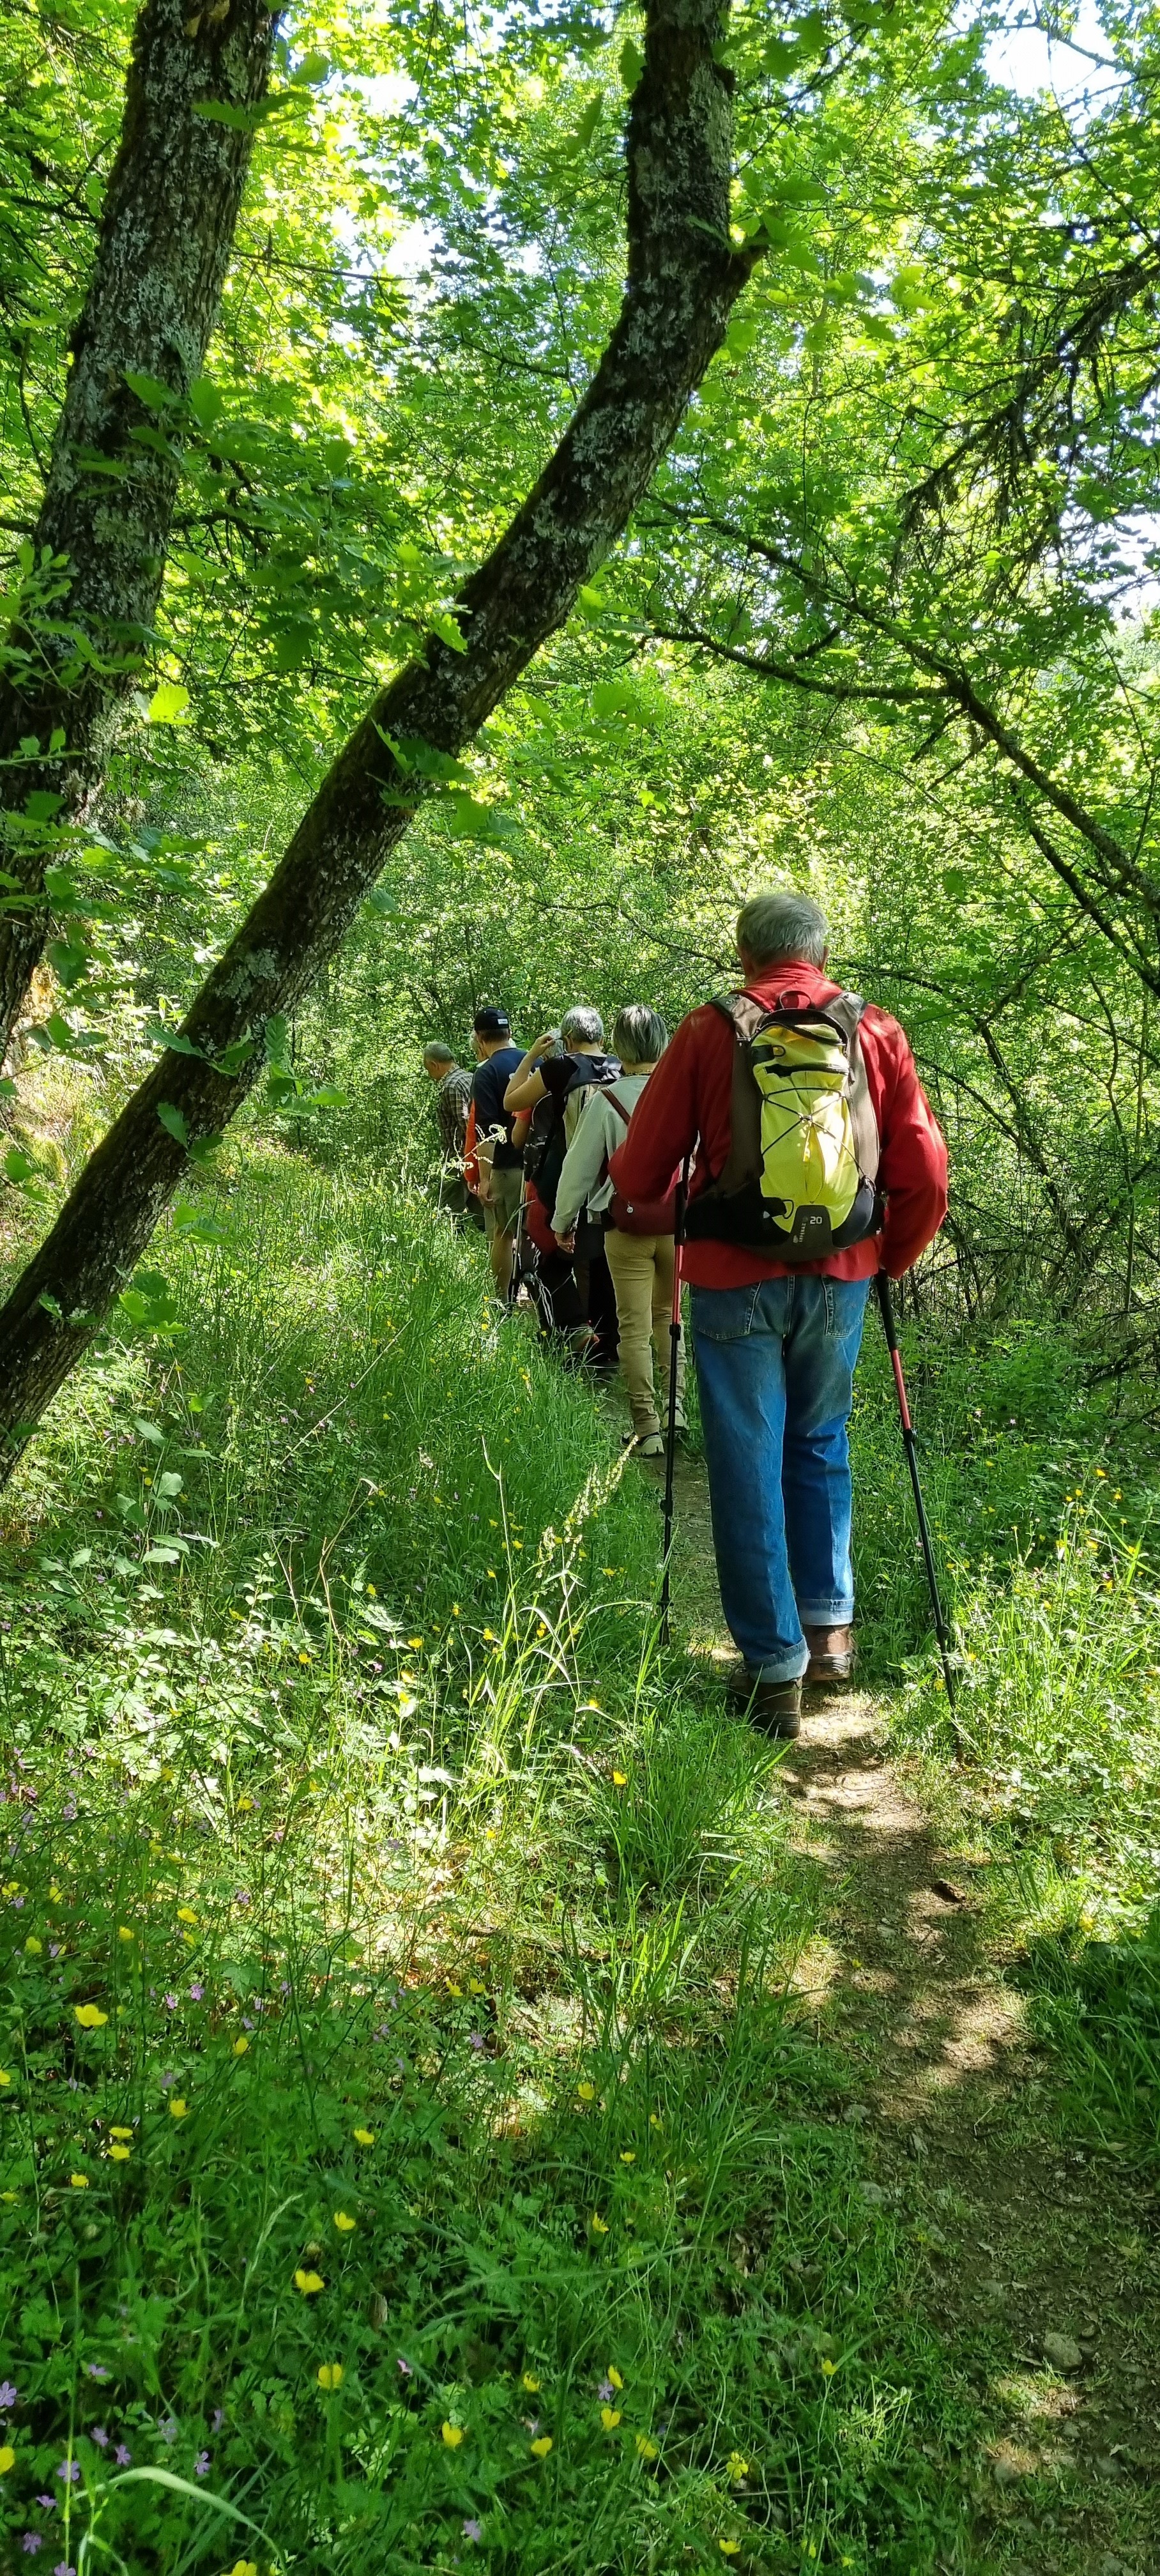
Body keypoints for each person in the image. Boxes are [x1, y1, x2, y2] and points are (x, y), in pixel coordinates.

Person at [608, 890, 948, 1738]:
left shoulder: (705, 1030)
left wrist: (661, 1203)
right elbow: (927, 1176)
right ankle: (830, 1632)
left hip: (731, 1280)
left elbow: (641, 1174)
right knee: (820, 1441)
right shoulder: (875, 1030)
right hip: (843, 1276)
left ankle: (774, 1671)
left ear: (743, 953)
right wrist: (883, 1260)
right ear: (822, 953)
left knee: (746, 1460)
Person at [551, 1004, 684, 1455]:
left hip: (625, 1227)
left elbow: (579, 1170)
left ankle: (647, 1429)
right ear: (663, 1042)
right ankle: (675, 1409)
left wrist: (562, 1222)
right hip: (676, 1226)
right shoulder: (682, 1096)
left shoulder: (607, 1100)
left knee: (633, 1327)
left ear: (621, 1049)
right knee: (669, 1318)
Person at [504, 1008, 622, 1365]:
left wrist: (532, 1055)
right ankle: (608, 1347)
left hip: (566, 1174)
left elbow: (512, 1101)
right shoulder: (619, 1067)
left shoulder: (560, 1068)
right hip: (616, 1179)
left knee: (548, 1262)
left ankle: (573, 1331)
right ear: (602, 1037)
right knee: (601, 1261)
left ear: (567, 1039)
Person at [469, 1006, 525, 1298]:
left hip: (505, 1167)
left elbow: (488, 1130)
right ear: (510, 1033)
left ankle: (502, 1301)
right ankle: (546, 1303)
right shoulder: (535, 1061)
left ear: (480, 1038)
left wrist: (484, 1178)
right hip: (540, 1167)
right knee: (534, 1236)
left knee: (502, 1236)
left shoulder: (487, 1072)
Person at [422, 1041, 482, 1228]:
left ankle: (453, 1246)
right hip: (475, 1156)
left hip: (459, 1158)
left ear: (434, 1065)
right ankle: (487, 1241)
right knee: (477, 1205)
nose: (430, 1076)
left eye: (428, 1070)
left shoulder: (451, 1086)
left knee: (448, 1209)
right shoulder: (469, 1077)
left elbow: (466, 1124)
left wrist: (468, 1158)